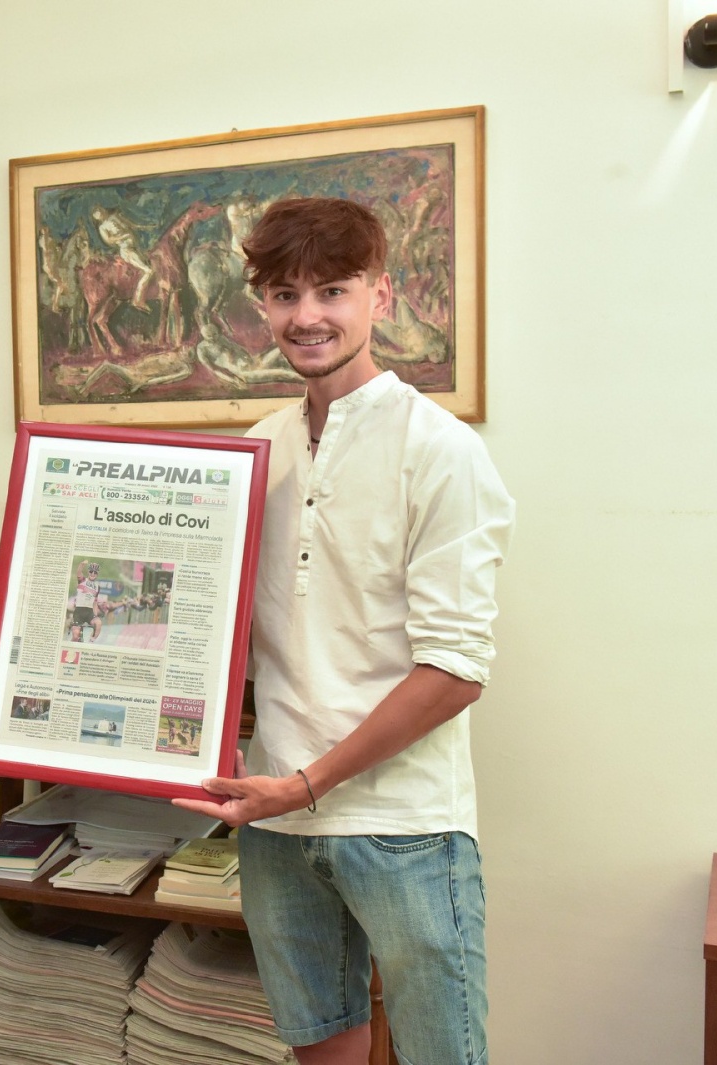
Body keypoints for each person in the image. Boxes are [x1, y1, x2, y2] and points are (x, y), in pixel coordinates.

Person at [175, 199, 514, 1065]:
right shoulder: (257, 449)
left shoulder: (440, 449)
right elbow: (215, 629)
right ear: (263, 308)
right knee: (321, 1050)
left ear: (380, 296)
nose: (308, 315)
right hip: (276, 819)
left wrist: (309, 783)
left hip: (405, 821)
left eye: (332, 289)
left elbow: (456, 668)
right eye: (285, 294)